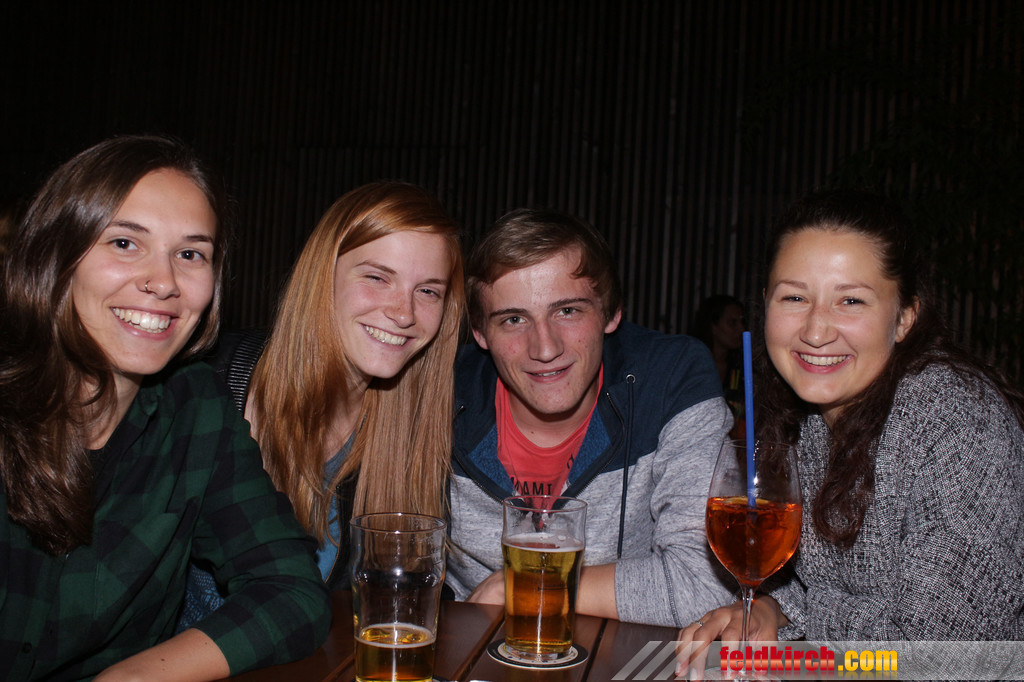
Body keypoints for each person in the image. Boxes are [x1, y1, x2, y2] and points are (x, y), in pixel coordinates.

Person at [0, 135, 330, 680]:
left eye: (190, 254)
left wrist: (131, 677)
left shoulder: (196, 408)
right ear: (55, 255)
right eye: (125, 243)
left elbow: (291, 590)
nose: (164, 282)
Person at [676, 190, 1024, 670]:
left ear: (904, 318)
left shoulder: (956, 418)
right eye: (795, 297)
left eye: (851, 300)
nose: (816, 331)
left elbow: (941, 655)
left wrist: (804, 612)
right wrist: (774, 610)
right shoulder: (808, 418)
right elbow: (819, 581)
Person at [179, 181, 465, 626]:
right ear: (322, 277)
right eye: (377, 277)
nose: (404, 312)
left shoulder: (410, 435)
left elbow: (405, 596)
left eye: (428, 291)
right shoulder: (207, 386)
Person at [446, 208, 734, 628]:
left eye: (568, 311)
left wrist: (526, 587)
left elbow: (707, 586)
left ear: (611, 313)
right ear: (479, 332)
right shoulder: (440, 394)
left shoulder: (671, 378)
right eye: (513, 319)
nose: (545, 348)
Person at [690, 294, 746, 438]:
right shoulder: (691, 368)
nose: (741, 329)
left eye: (742, 322)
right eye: (732, 323)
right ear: (713, 326)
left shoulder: (743, 370)